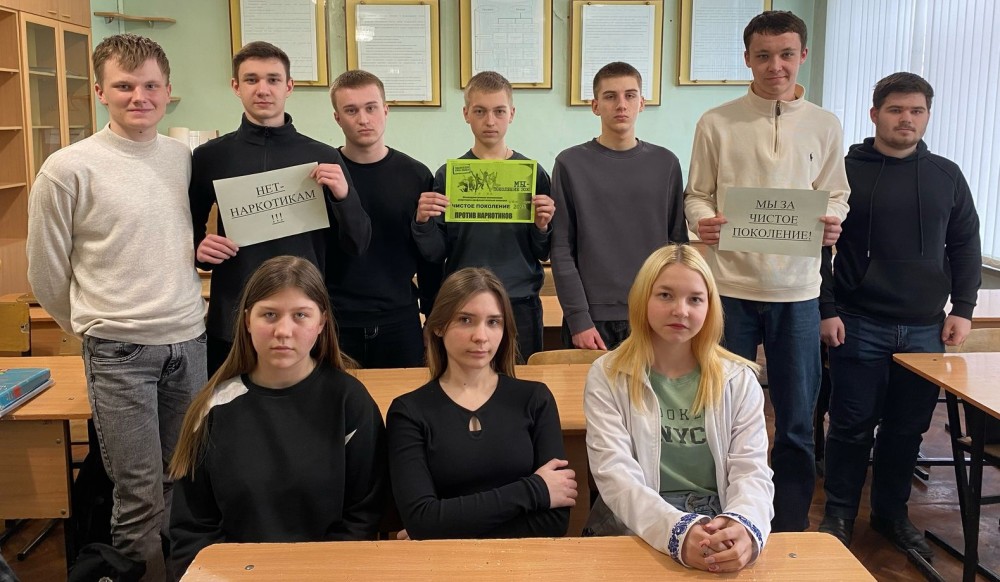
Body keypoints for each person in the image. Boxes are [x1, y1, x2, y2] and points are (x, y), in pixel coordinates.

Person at [26, 34, 206, 581]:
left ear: (168, 91)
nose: (139, 97)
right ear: (101, 91)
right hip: (119, 352)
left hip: (188, 342)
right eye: (124, 86)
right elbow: (46, 273)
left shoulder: (182, 159)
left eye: (151, 85)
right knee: (139, 494)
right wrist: (96, 325)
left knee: (185, 480)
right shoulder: (67, 168)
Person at [683, 10, 850, 532]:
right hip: (728, 289)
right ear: (747, 59)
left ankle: (790, 526)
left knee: (797, 421)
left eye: (786, 54)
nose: (775, 66)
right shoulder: (716, 122)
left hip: (797, 293)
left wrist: (833, 221)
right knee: (720, 413)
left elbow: (837, 193)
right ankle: (720, 516)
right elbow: (696, 195)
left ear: (803, 56)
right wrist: (704, 222)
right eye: (763, 55)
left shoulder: (825, 124)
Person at [818, 73, 981, 559]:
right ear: (875, 115)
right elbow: (816, 247)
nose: (906, 119)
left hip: (926, 327)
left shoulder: (947, 175)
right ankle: (839, 515)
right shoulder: (844, 172)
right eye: (895, 110)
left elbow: (965, 244)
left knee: (907, 429)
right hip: (858, 320)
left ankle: (890, 514)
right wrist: (827, 309)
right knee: (850, 427)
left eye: (916, 111)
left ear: (927, 116)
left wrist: (964, 308)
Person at [168, 256, 386, 578]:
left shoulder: (349, 403)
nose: (283, 331)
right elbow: (193, 529)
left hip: (326, 573)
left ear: (322, 322)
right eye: (269, 314)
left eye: (301, 315)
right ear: (247, 320)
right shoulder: (213, 408)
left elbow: (362, 518)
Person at [584, 244, 773, 573]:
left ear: (710, 307)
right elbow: (616, 475)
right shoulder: (608, 374)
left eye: (695, 299)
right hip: (635, 519)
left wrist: (742, 524)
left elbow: (751, 470)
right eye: (665, 295)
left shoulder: (738, 380)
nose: (680, 311)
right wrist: (678, 531)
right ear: (642, 299)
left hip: (719, 517)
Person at [190, 41, 371, 376]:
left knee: (305, 407)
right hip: (233, 321)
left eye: (273, 79)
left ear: (289, 86)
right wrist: (199, 249)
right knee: (229, 406)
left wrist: (343, 196)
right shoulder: (209, 157)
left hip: (303, 320)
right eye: (251, 79)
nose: (263, 89)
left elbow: (358, 242)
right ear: (236, 86)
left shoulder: (322, 157)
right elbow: (187, 229)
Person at [386, 268, 576, 539]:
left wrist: (442, 526)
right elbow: (422, 519)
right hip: (443, 563)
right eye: (466, 320)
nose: (481, 336)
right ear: (438, 326)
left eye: (493, 322)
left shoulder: (535, 399)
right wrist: (534, 489)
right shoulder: (408, 412)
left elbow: (555, 521)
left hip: (526, 560)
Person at [412, 71, 554, 361]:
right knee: (464, 381)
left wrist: (542, 227)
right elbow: (436, 252)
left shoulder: (533, 174)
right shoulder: (448, 176)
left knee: (520, 382)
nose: (490, 121)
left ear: (511, 114)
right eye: (480, 111)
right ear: (466, 114)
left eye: (499, 111)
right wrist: (423, 222)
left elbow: (543, 251)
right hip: (464, 302)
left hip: (519, 302)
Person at [550, 61, 688, 352]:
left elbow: (678, 246)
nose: (621, 104)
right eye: (610, 96)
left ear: (642, 103)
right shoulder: (569, 164)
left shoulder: (666, 163)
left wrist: (673, 310)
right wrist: (578, 318)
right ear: (595, 106)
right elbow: (561, 248)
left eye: (630, 95)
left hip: (652, 314)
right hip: (591, 319)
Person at [327, 69, 441, 367]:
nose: (363, 119)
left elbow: (429, 257)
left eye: (371, 108)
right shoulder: (325, 175)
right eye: (351, 110)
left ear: (386, 110)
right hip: (334, 322)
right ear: (337, 118)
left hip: (400, 320)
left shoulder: (416, 175)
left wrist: (432, 316)